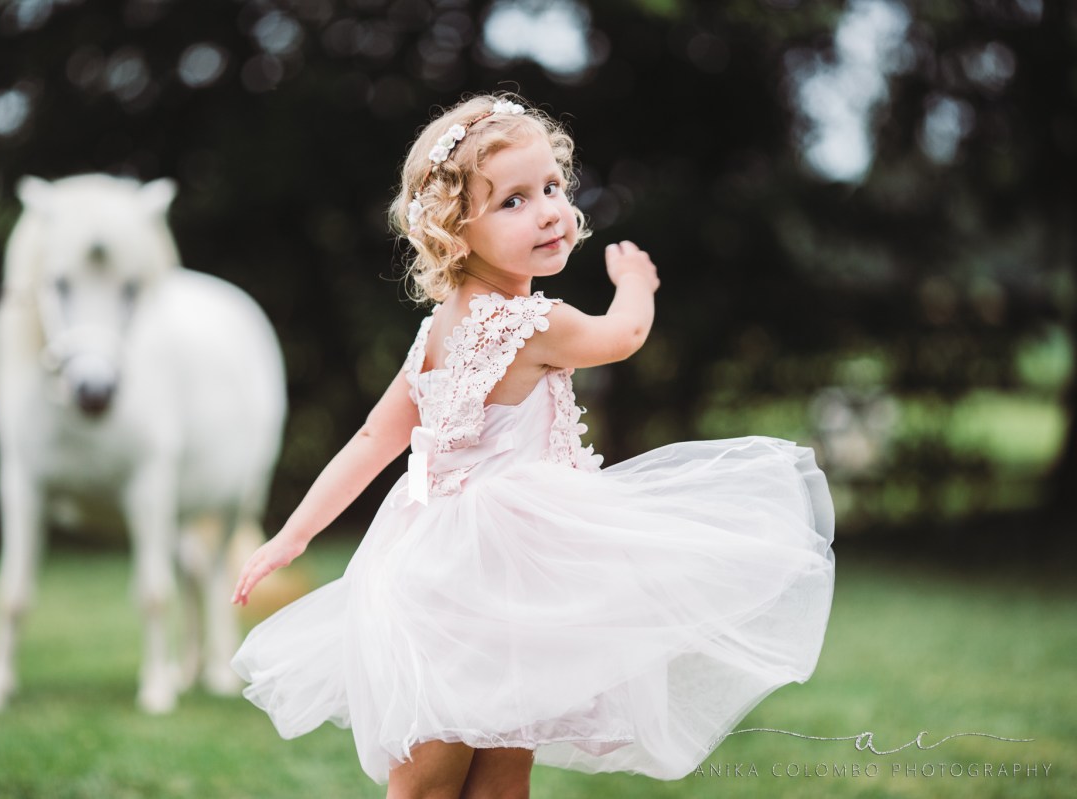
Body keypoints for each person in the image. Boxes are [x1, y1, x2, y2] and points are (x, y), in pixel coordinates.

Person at [231, 93, 835, 799]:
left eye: (551, 187)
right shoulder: (536, 322)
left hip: (440, 561)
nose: (548, 210)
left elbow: (371, 440)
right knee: (440, 773)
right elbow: (624, 335)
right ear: (457, 230)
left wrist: (294, 535)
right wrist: (635, 285)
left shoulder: (435, 331)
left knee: (492, 759)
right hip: (487, 572)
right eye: (513, 201)